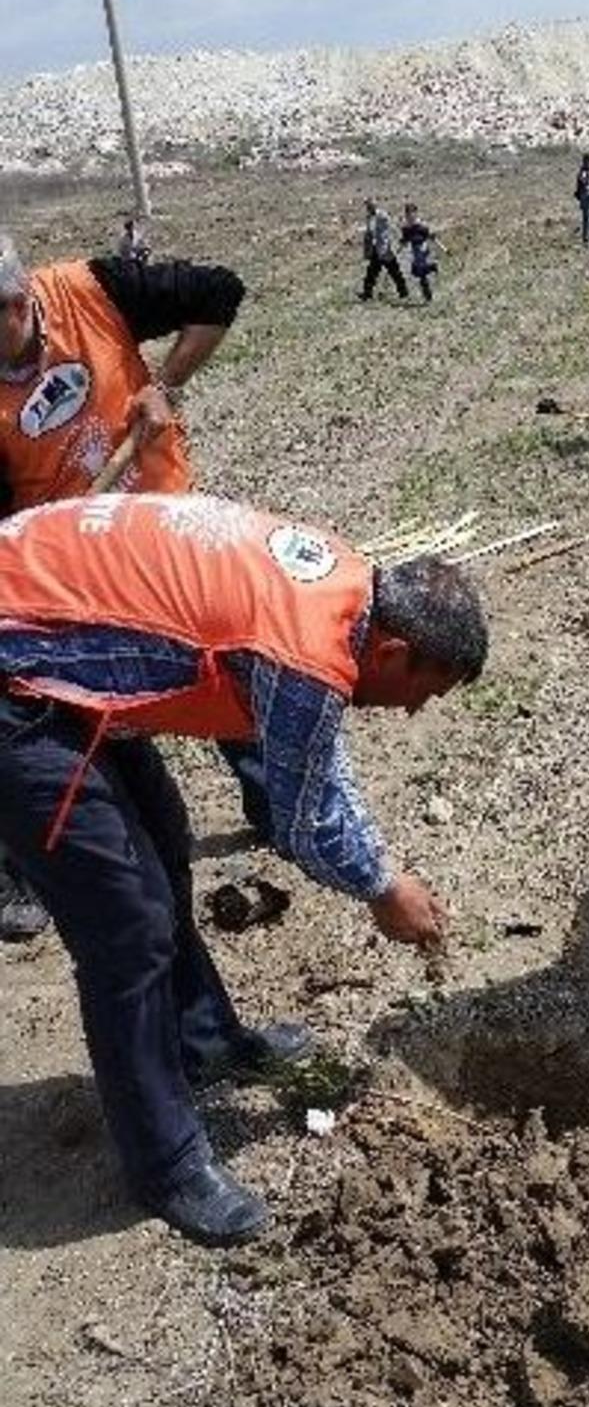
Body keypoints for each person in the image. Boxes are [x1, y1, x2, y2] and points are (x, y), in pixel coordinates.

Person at [0, 490, 488, 1243]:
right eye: (425, 692)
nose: (415, 711)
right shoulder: (304, 649)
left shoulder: (347, 590)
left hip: (61, 642)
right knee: (126, 925)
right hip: (18, 678)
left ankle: (204, 1041)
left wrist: (381, 869)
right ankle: (166, 1165)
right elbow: (303, 818)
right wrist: (383, 887)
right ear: (393, 653)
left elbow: (317, 760)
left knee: (162, 839)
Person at [0, 232, 249, 940]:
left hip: (163, 524)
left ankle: (274, 806)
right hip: (70, 568)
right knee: (63, 716)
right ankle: (26, 865)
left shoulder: (93, 289)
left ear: (18, 305)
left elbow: (219, 293)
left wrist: (161, 386)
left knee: (219, 656)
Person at [360, 200, 408, 301]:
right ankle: (367, 294)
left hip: (386, 249)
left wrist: (399, 239)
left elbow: (392, 227)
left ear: (374, 206)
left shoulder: (382, 216)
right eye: (367, 207)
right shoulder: (369, 217)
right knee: (371, 273)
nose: (368, 209)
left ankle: (403, 292)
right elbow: (369, 233)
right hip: (376, 250)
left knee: (395, 272)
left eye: (370, 206)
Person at [400, 201, 440, 303]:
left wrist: (441, 246)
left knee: (421, 272)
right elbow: (405, 239)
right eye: (408, 213)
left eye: (411, 213)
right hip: (415, 250)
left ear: (415, 213)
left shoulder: (421, 225)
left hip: (422, 248)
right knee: (416, 272)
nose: (410, 215)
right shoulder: (406, 228)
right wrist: (401, 245)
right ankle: (432, 268)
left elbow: (430, 236)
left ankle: (428, 296)